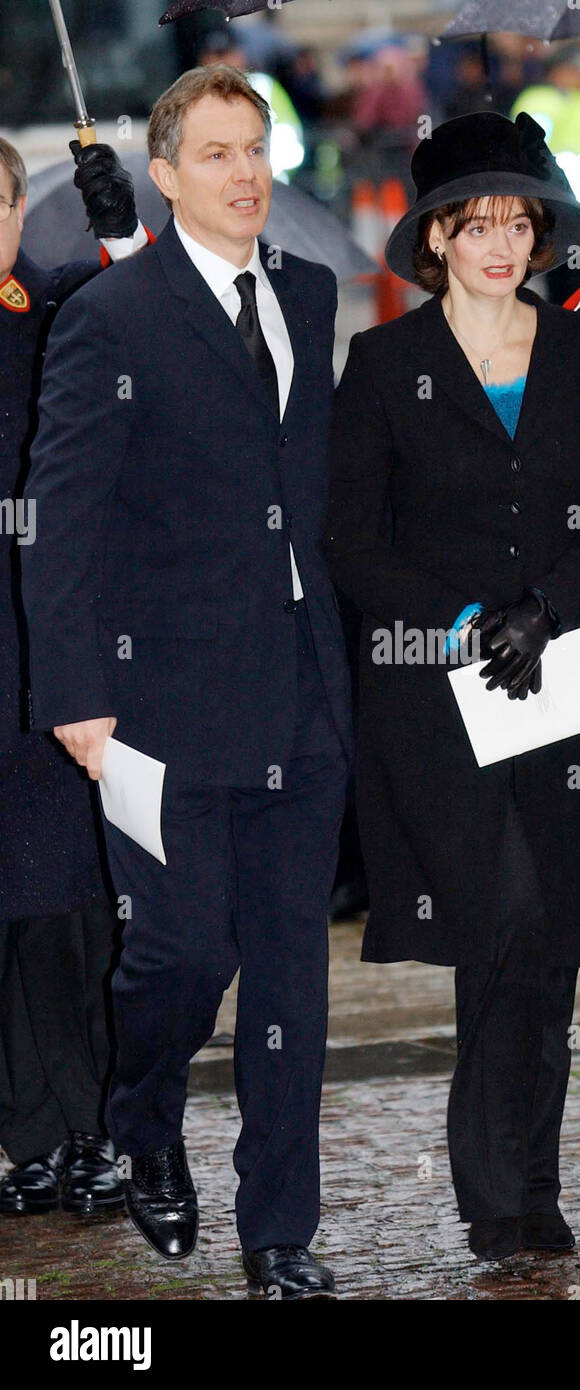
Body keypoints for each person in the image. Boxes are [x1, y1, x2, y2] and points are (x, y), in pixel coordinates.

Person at [22, 66, 352, 1299]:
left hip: (298, 700)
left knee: (286, 980)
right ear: (164, 177)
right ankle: (145, 1117)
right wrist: (74, 697)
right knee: (176, 954)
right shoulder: (108, 319)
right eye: (216, 153)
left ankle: (279, 1234)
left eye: (256, 150)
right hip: (153, 707)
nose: (246, 173)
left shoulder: (309, 296)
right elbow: (62, 520)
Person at [324, 111, 580, 1262]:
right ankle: (495, 1191)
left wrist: (549, 608)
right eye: (477, 225)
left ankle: (533, 1184)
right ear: (437, 241)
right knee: (503, 919)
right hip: (435, 700)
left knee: (551, 939)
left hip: (562, 684)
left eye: (519, 220)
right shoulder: (383, 365)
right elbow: (352, 542)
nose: (502, 242)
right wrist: (463, 621)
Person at [0, 136, 148, 1218]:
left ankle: (95, 1128)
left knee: (71, 911)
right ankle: (27, 1138)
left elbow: (143, 314)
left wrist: (121, 227)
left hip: (45, 662)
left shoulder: (50, 310)